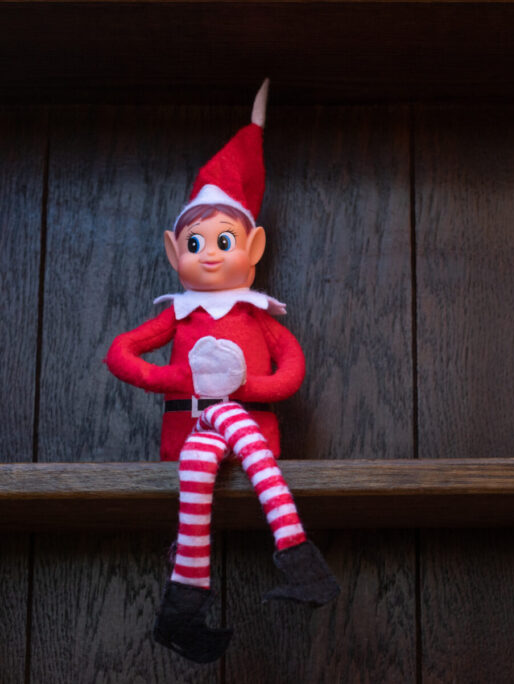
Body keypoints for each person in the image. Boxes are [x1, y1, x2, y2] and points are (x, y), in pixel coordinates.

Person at [105, 81, 339, 664]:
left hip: (242, 422)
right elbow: (121, 353)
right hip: (197, 431)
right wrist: (177, 380)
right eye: (195, 242)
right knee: (206, 468)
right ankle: (292, 565)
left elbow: (291, 370)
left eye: (225, 240)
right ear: (173, 251)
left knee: (240, 452)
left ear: (252, 248)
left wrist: (245, 387)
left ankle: (186, 606)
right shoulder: (178, 315)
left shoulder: (258, 316)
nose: (209, 253)